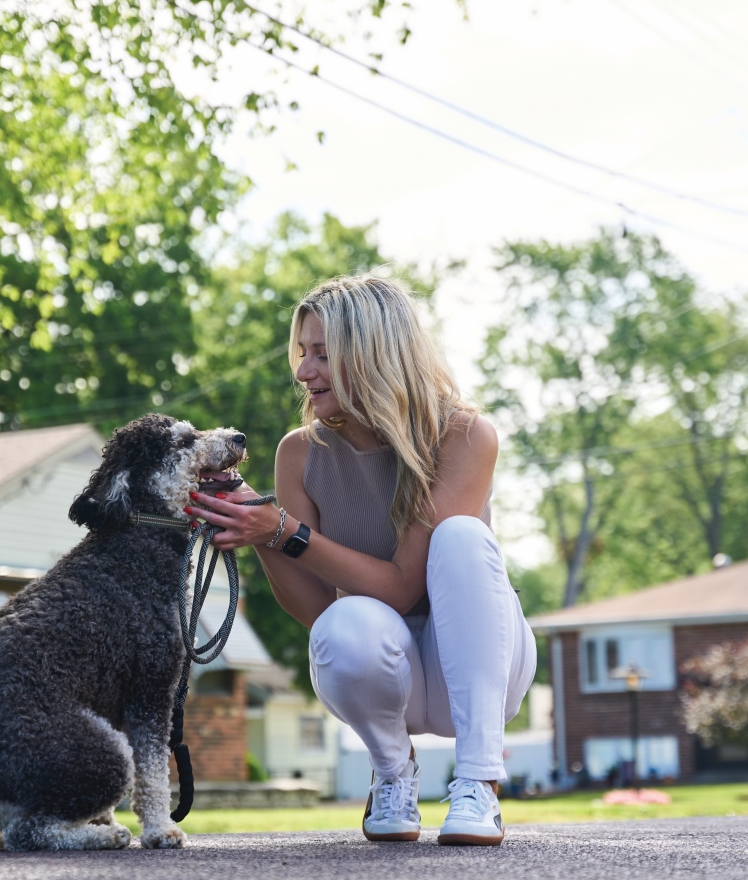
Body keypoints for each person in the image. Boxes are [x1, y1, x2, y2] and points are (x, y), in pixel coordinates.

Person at [187, 274, 537, 846]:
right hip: (386, 670)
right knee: (344, 621)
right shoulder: (299, 452)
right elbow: (316, 612)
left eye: (323, 354)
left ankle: (479, 782)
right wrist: (258, 526)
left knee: (460, 538)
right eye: (303, 353)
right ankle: (393, 773)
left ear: (375, 354)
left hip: (481, 668)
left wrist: (284, 529)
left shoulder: (464, 434)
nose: (304, 371)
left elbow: (402, 587)